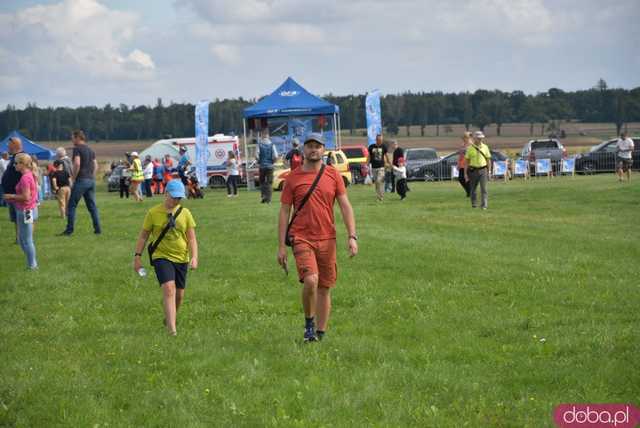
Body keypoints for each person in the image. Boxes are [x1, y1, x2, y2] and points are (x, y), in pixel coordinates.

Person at [277, 133, 358, 343]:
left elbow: (345, 206)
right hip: (301, 237)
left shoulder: (333, 175)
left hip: (327, 238)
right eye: (310, 146)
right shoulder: (292, 178)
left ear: (324, 150)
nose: (314, 150)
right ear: (303, 150)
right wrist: (281, 247)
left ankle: (319, 334)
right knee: (311, 280)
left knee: (324, 287)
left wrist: (352, 236)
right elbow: (284, 212)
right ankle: (309, 324)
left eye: (317, 146)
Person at [133, 180, 198, 336]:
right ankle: (172, 330)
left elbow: (192, 238)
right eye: (173, 197)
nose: (176, 200)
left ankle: (170, 317)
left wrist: (194, 257)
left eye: (179, 198)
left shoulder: (185, 213)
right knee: (169, 288)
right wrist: (137, 257)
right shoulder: (153, 213)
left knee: (179, 295)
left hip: (181, 257)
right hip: (161, 256)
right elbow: (143, 237)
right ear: (165, 193)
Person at [60, 130, 102, 236]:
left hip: (81, 180)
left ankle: (69, 230)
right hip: (90, 181)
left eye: (72, 137)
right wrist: (92, 176)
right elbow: (96, 165)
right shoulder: (90, 150)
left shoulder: (77, 149)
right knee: (92, 207)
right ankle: (98, 230)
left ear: (78, 137)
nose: (71, 139)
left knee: (71, 206)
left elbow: (77, 164)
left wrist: (73, 178)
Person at [3, 153, 39, 269]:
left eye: (16, 163)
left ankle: (32, 266)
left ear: (23, 164)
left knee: (26, 240)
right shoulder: (29, 175)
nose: (14, 165)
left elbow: (26, 197)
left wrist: (11, 196)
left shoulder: (25, 178)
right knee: (24, 240)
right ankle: (31, 263)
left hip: (25, 211)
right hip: (26, 210)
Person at [1, 137, 25, 242]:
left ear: (15, 144)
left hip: (19, 194)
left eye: (9, 144)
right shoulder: (14, 157)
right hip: (12, 194)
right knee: (16, 219)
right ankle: (18, 238)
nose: (7, 146)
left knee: (22, 219)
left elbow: (27, 174)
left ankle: (25, 238)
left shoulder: (22, 157)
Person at [464, 131, 492, 210]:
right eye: (478, 138)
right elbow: (466, 162)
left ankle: (484, 205)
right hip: (473, 170)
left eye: (481, 138)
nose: (480, 140)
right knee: (473, 189)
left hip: (483, 170)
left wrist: (489, 171)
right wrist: (465, 174)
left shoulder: (485, 147)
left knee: (484, 189)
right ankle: (474, 204)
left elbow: (488, 160)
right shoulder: (469, 148)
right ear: (475, 139)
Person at [256, 129, 278, 203]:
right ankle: (269, 199)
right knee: (269, 183)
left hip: (262, 166)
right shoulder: (272, 145)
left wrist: (259, 162)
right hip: (270, 166)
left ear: (262, 136)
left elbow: (256, 156)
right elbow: (275, 156)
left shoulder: (259, 144)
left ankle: (263, 197)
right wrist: (273, 162)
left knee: (262, 182)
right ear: (268, 136)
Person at [368, 134, 389, 201]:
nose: (380, 141)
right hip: (373, 168)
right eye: (379, 140)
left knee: (378, 180)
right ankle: (379, 197)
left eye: (381, 140)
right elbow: (369, 156)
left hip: (381, 167)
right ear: (376, 140)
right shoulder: (371, 147)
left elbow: (386, 156)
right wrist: (366, 164)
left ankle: (381, 196)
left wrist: (390, 163)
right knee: (377, 183)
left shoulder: (384, 147)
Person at [457, 132, 472, 197]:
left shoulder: (472, 145)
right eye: (463, 137)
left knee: (467, 179)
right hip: (462, 164)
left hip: (469, 164)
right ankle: (469, 191)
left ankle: (469, 192)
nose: (464, 139)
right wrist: (458, 164)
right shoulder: (462, 145)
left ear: (469, 138)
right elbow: (460, 155)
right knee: (460, 178)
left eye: (465, 137)